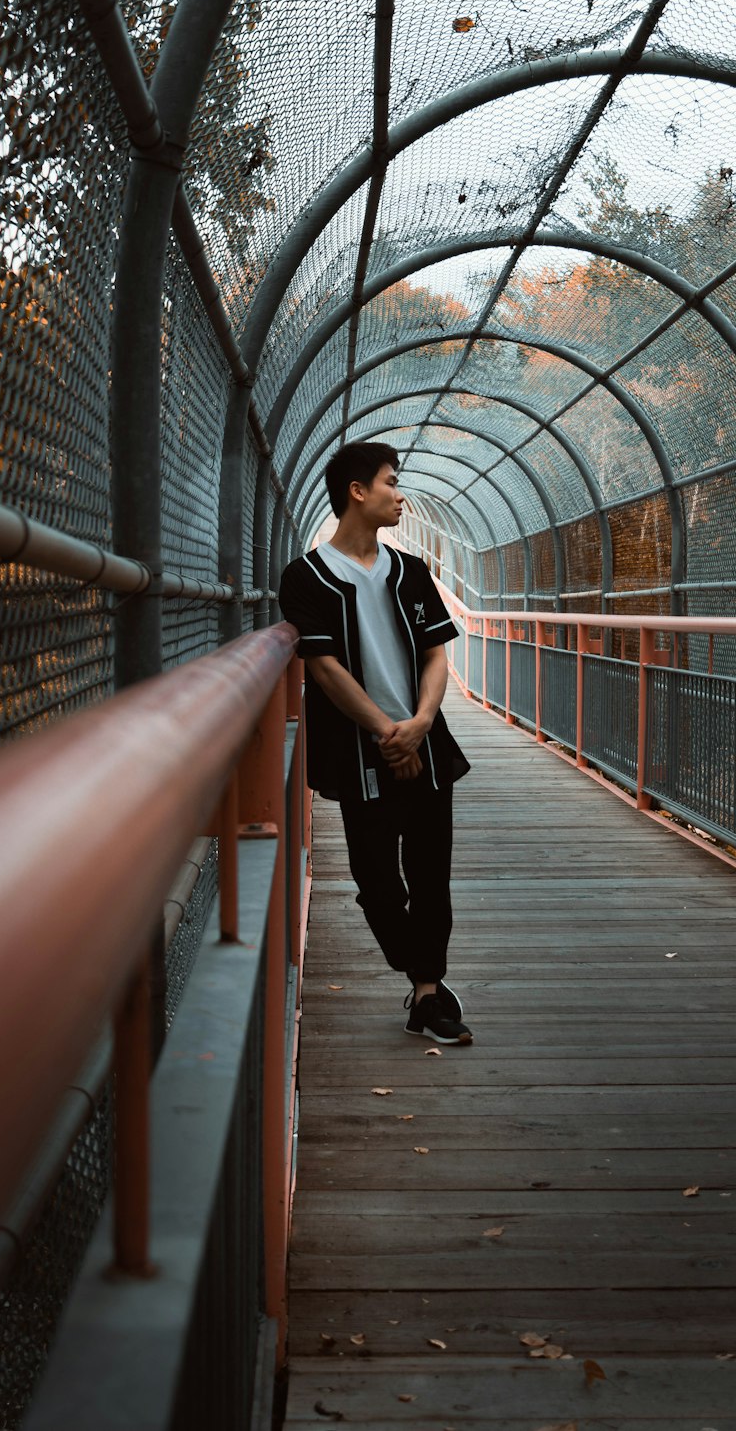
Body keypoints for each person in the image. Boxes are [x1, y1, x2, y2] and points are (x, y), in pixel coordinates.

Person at [278, 442, 473, 1043]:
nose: (401, 493)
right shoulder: (306, 578)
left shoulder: (410, 572)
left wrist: (418, 723)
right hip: (363, 755)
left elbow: (437, 653)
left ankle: (429, 993)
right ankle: (419, 972)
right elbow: (324, 667)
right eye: (391, 482)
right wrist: (388, 732)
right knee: (379, 885)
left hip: (427, 745)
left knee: (430, 877)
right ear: (357, 492)